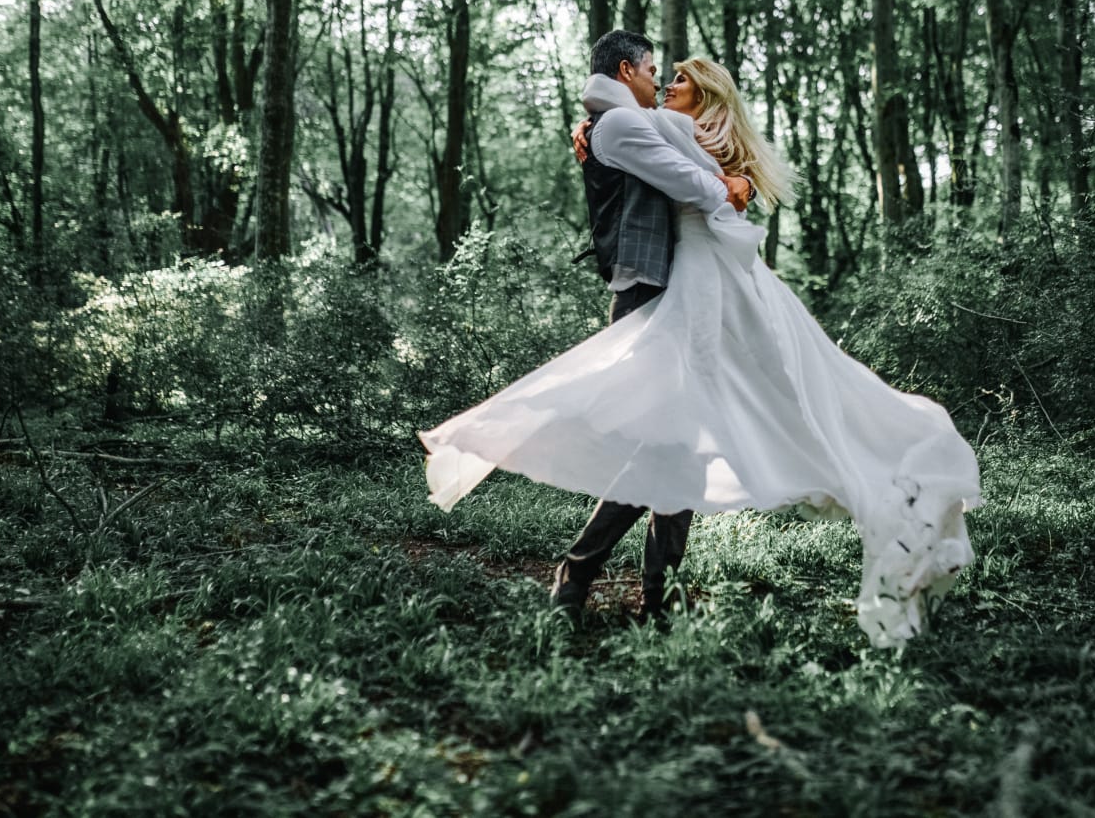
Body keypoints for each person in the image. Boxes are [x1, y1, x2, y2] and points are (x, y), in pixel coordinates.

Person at [420, 52, 981, 647]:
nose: (667, 83)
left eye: (682, 79)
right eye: (662, 73)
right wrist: (590, 127)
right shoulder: (655, 126)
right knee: (666, 439)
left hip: (724, 286)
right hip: (683, 282)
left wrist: (726, 181)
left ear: (708, 95)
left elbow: (706, 184)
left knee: (681, 441)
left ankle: (638, 584)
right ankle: (602, 575)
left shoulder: (698, 136)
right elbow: (622, 123)